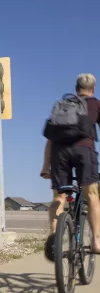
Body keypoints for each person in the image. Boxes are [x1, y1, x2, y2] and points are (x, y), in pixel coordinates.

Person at [41, 73, 100, 257]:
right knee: (91, 194)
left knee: (59, 197)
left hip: (60, 154)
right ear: (93, 89)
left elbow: (50, 140)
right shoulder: (95, 104)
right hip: (84, 152)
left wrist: (45, 166)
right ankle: (96, 241)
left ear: (76, 89)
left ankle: (55, 239)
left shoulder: (62, 106)